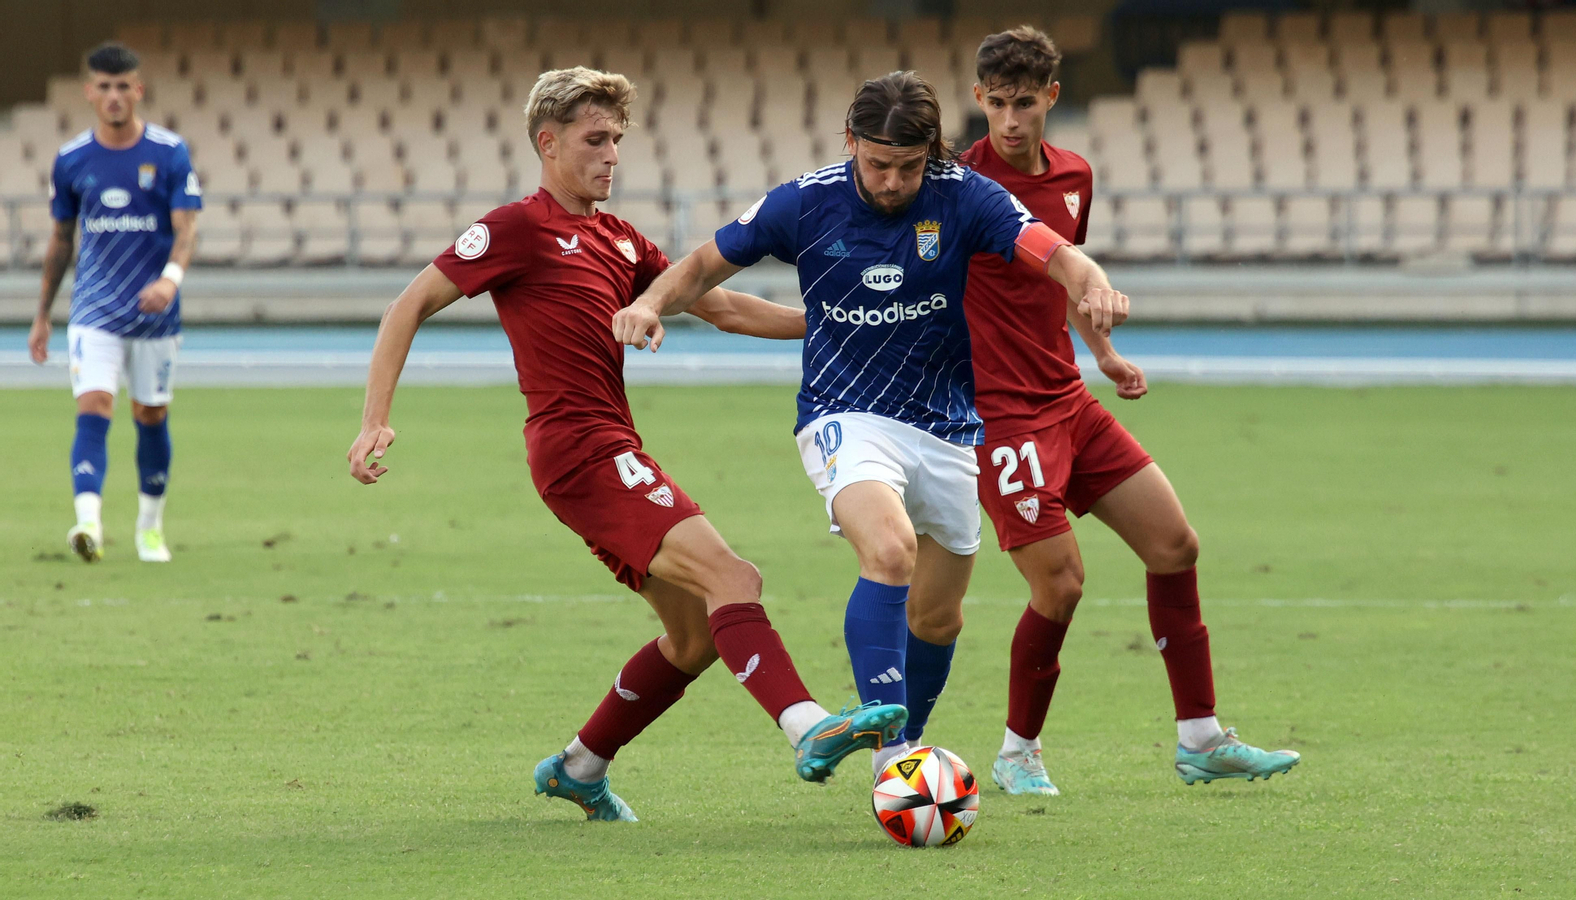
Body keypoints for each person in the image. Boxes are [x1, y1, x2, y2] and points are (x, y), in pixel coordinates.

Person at [346, 67, 906, 822]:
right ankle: (809, 728)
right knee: (733, 578)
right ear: (547, 143)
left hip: (605, 448)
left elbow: (727, 308)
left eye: (617, 139)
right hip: (578, 448)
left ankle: (579, 766)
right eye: (594, 139)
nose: (612, 154)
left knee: (694, 636)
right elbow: (408, 304)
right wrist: (373, 418)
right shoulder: (517, 229)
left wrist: (834, 319)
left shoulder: (618, 238)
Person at [614, 71, 1126, 777]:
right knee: (887, 551)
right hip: (845, 414)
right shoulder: (805, 201)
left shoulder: (963, 194)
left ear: (934, 153)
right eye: (878, 164)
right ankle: (894, 760)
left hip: (946, 425)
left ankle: (906, 737)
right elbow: (702, 264)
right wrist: (650, 302)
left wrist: (1090, 282)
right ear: (851, 141)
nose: (891, 182)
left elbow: (1055, 251)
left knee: (937, 619)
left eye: (909, 167)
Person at [961, 27, 1301, 792]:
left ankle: (1202, 738)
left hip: (1068, 401)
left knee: (1175, 545)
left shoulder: (1075, 176)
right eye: (997, 105)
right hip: (1001, 417)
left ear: (1051, 98)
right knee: (1061, 585)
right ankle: (1018, 752)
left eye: (1025, 104)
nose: (1011, 121)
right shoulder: (956, 186)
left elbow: (1065, 277)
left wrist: (1104, 355)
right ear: (978, 99)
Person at [28, 42, 201, 563]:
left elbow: (186, 228)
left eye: (123, 86)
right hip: (94, 310)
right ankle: (89, 523)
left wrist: (170, 279)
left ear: (138, 90)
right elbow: (61, 240)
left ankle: (150, 527)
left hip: (155, 314)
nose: (114, 96)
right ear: (89, 93)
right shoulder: (72, 159)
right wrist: (42, 314)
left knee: (150, 414)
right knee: (94, 405)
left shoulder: (169, 152)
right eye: (103, 87)